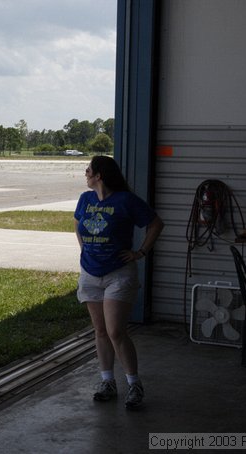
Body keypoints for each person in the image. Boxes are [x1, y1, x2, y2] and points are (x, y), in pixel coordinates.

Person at [74, 155, 164, 410]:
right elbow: (78, 224)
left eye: (89, 170)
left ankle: (134, 384)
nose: (86, 173)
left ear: (99, 175)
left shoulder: (125, 200)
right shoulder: (86, 199)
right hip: (90, 275)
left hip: (118, 274)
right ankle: (107, 382)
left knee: (115, 331)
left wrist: (141, 252)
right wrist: (84, 250)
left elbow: (156, 223)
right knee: (100, 331)